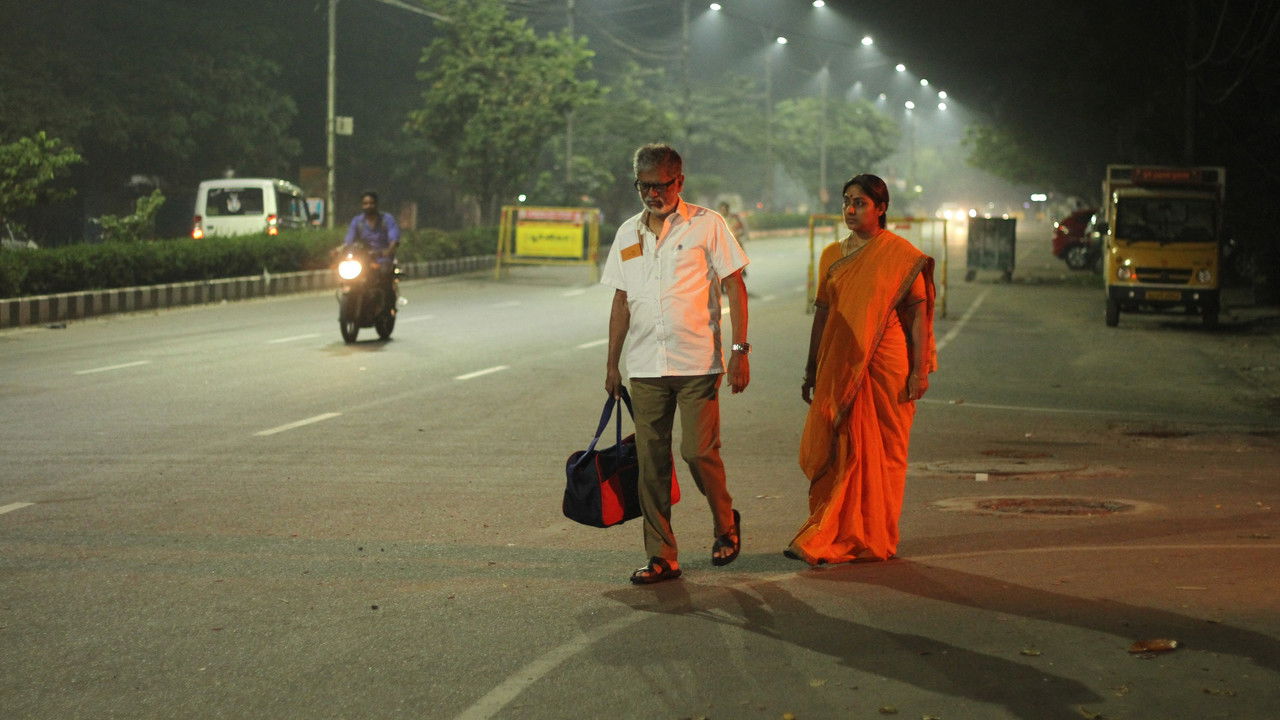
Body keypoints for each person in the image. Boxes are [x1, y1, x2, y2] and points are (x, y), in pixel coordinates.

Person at [601, 143, 751, 585]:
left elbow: (735, 286)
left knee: (698, 452)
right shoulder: (628, 234)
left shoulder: (708, 225)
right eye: (643, 186)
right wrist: (612, 365)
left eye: (660, 185)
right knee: (651, 462)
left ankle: (725, 521)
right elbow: (621, 300)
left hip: (698, 362)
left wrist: (740, 351)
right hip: (645, 365)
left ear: (679, 182)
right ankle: (662, 555)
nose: (652, 194)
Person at [788, 173, 937, 565]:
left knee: (885, 452)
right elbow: (822, 315)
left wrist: (919, 371)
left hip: (887, 364)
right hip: (840, 363)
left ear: (881, 208)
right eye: (846, 201)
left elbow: (918, 316)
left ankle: (877, 534)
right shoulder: (832, 256)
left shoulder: (900, 255)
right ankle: (838, 530)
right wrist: (810, 369)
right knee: (844, 449)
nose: (850, 210)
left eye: (860, 203)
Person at [344, 191, 400, 299]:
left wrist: (389, 250)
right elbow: (348, 240)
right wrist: (342, 250)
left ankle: (387, 304)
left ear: (376, 204)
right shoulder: (357, 221)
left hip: (382, 259)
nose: (368, 206)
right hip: (363, 260)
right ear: (362, 205)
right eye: (365, 203)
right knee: (348, 279)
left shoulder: (387, 219)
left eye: (371, 203)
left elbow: (394, 238)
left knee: (384, 277)